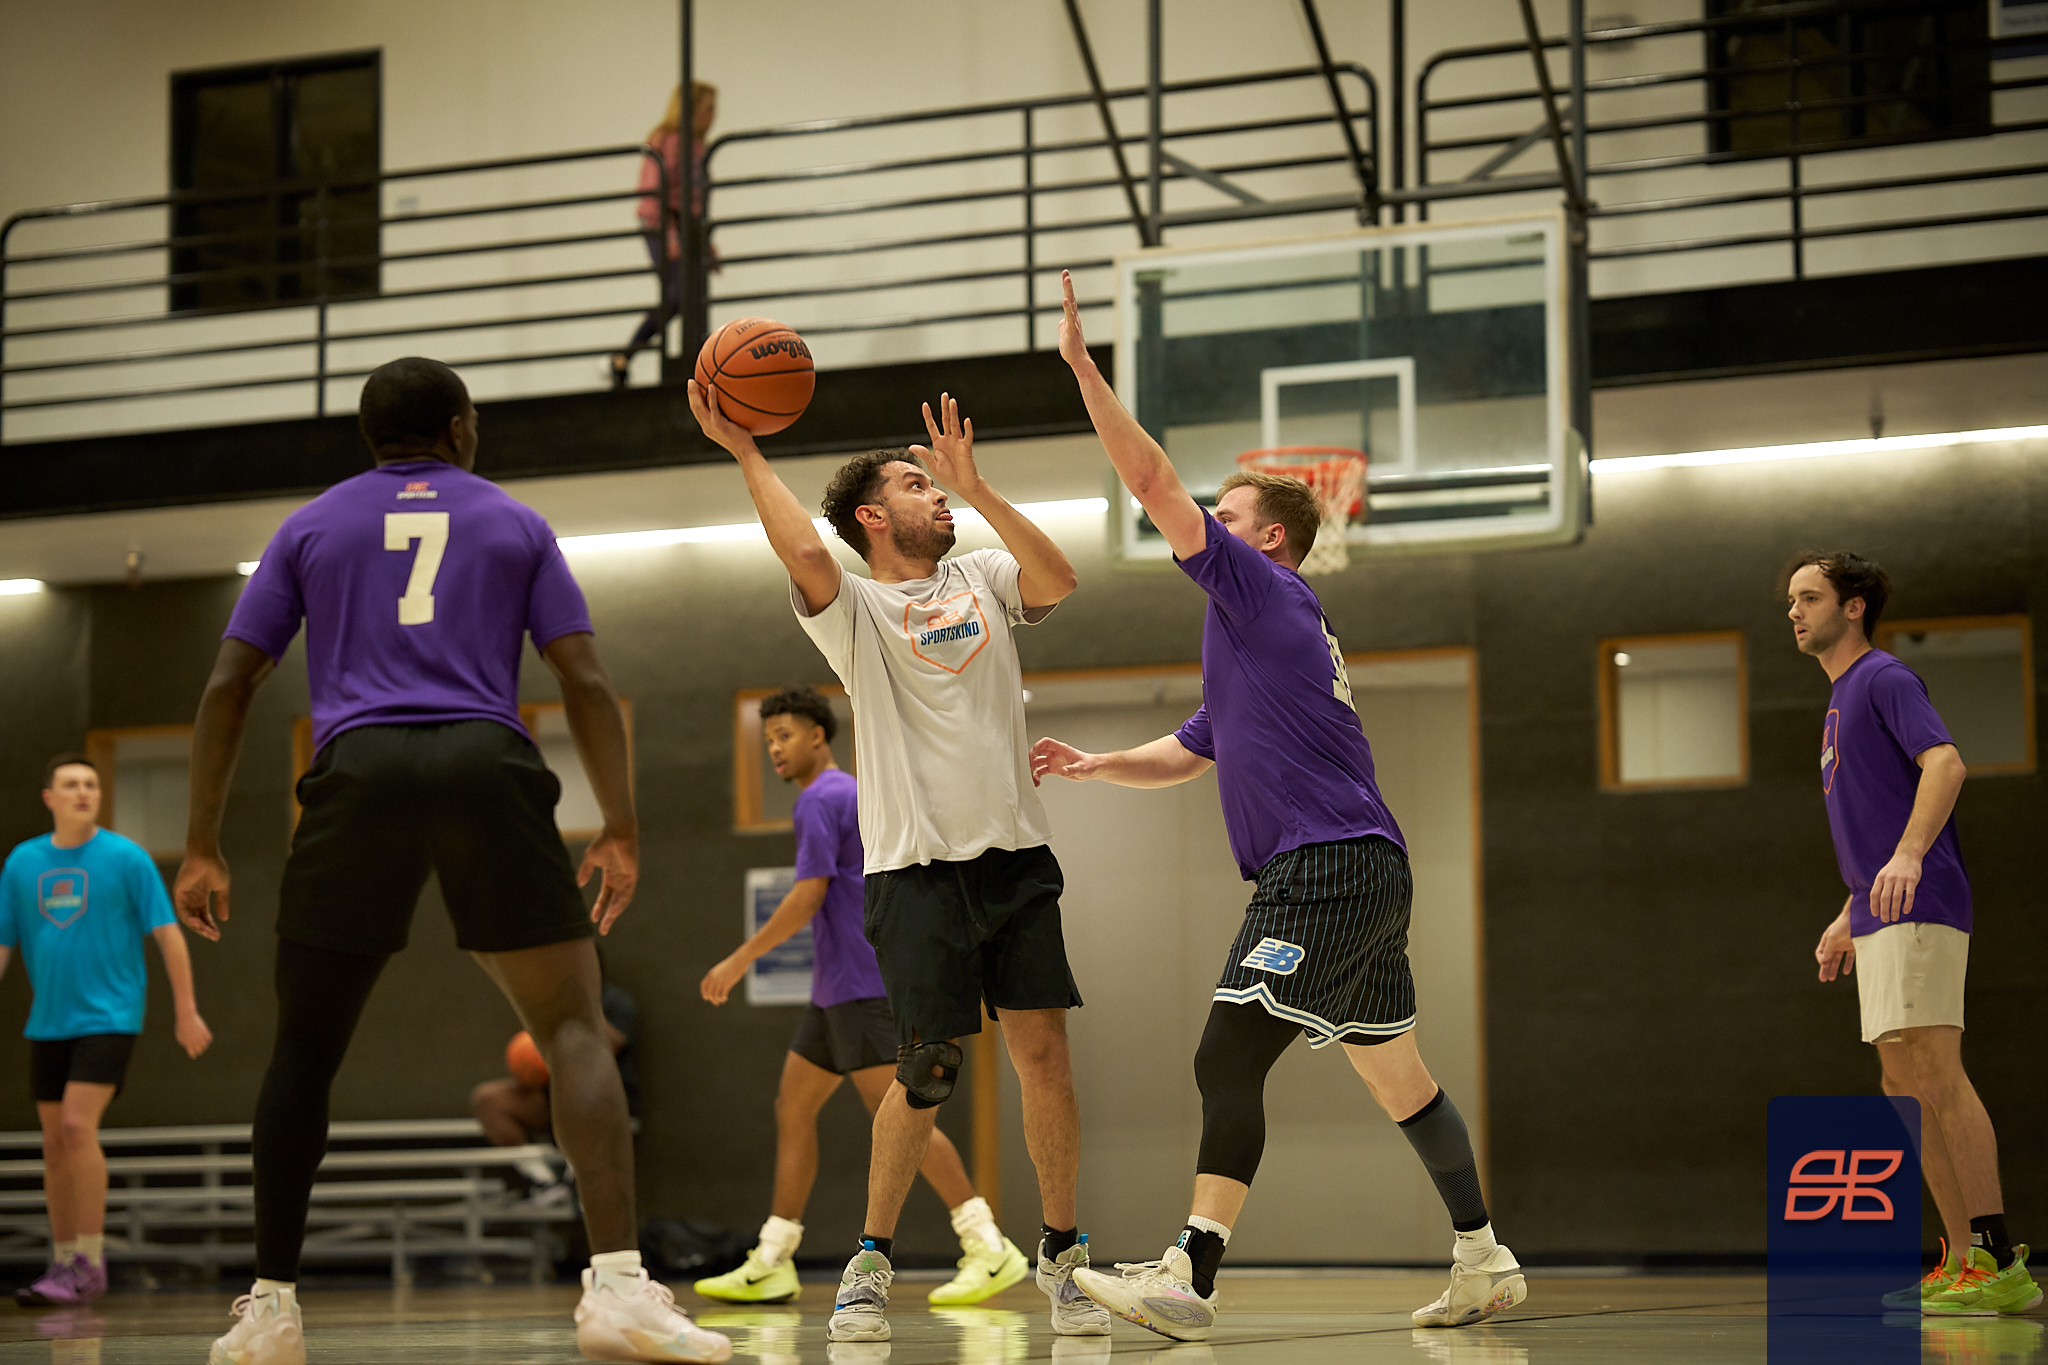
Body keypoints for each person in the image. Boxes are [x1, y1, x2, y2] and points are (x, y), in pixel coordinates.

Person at [174, 356, 730, 1365]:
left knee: (303, 1048)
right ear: (461, 428)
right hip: (485, 763)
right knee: (573, 1029)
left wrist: (204, 841)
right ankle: (616, 1289)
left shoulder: (307, 527)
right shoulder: (514, 521)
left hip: (358, 771)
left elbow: (226, 686)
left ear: (370, 435)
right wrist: (620, 826)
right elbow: (586, 680)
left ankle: (270, 1310)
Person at [1026, 271, 1525, 1341]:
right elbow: (1189, 751)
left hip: (1322, 864)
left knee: (1226, 1052)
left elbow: (1149, 479)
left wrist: (1082, 372)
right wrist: (1095, 764)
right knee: (1400, 1080)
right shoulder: (1256, 645)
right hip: (1364, 864)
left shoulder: (1260, 590)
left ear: (1264, 541)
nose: (1206, 520)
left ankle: (1190, 1274)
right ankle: (1484, 1258)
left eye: (1226, 514)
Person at [687, 379, 1109, 1345]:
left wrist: (981, 486)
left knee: (1045, 1056)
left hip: (1017, 858)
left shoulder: (986, 574)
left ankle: (1061, 1254)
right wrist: (746, 450)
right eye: (917, 485)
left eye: (938, 484)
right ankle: (870, 1264)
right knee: (924, 1068)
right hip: (915, 871)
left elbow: (1059, 579)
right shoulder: (855, 609)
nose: (938, 493)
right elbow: (804, 551)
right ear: (873, 518)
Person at [693, 686, 1025, 1307]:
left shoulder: (822, 798)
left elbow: (807, 895)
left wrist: (737, 960)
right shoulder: (849, 793)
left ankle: (986, 1242)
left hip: (862, 987)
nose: (775, 749)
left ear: (818, 736)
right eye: (768, 740)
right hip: (833, 993)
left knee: (902, 1116)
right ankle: (774, 1257)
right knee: (794, 1107)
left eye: (785, 736)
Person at [1791, 552, 2038, 1317]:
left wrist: (1907, 855)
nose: (1793, 611)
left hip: (1921, 900)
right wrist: (1849, 912)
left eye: (1809, 596)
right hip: (1878, 911)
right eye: (1791, 600)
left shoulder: (1883, 678)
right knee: (1899, 1082)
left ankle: (1998, 1258)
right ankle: (1961, 1258)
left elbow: (1947, 764)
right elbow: (1874, 819)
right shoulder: (1839, 700)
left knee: (1936, 1072)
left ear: (1854, 606)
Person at [1, 754, 212, 1308]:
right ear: (48, 797)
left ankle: (90, 1262)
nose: (83, 792)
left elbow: (168, 935)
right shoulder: (22, 862)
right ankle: (64, 1259)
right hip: (49, 1020)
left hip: (110, 1016)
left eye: (91, 784)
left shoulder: (126, 858)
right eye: (71, 784)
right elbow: (3, 942)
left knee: (76, 1127)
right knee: (53, 1144)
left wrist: (186, 1010)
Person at [611, 81, 718, 389]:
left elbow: (696, 199)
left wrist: (705, 243)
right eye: (708, 108)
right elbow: (653, 191)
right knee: (677, 296)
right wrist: (669, 235)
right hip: (661, 223)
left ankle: (701, 370)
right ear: (690, 108)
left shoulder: (699, 145)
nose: (713, 115)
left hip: (687, 227)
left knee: (695, 299)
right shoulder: (668, 140)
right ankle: (623, 357)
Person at [472, 971, 639, 1148]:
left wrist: (579, 1004)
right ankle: (532, 1165)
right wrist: (530, 1071)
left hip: (600, 1095)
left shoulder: (615, 1001)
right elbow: (538, 1046)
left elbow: (612, 1044)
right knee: (488, 1100)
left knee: (579, 1100)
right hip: (550, 1094)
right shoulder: (550, 999)